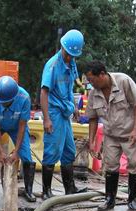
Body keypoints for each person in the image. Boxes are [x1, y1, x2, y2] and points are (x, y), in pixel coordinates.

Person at [86, 60, 136, 211]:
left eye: (92, 79)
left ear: (102, 74)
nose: (90, 83)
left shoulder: (123, 81)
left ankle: (132, 200)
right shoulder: (94, 93)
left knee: (134, 166)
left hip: (130, 133)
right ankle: (109, 199)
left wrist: (135, 130)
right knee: (110, 166)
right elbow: (92, 118)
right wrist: (91, 141)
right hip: (111, 135)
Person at [40, 29, 85, 199]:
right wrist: (47, 119)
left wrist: (74, 107)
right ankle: (46, 191)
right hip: (53, 111)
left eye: (73, 55)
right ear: (63, 47)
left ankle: (70, 189)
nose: (70, 57)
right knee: (52, 150)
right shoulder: (52, 65)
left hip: (65, 111)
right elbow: (44, 92)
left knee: (69, 150)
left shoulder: (72, 62)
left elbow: (71, 86)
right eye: (68, 54)